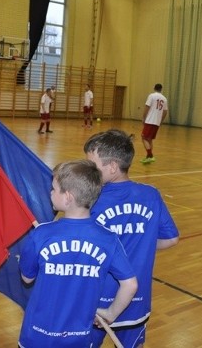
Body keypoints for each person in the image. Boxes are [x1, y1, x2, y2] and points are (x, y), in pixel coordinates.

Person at [18, 160, 138, 348]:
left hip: (37, 335)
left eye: (54, 189)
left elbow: (26, 278)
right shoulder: (108, 239)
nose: (50, 192)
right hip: (80, 337)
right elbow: (130, 284)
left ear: (68, 197)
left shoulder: (41, 234)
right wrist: (111, 313)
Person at [84, 129, 179, 348]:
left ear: (113, 167)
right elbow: (171, 239)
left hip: (96, 300)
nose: (88, 171)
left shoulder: (93, 199)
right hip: (137, 302)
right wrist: (142, 246)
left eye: (92, 165)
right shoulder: (151, 194)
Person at [140, 83, 168, 164]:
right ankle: (148, 157)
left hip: (150, 121)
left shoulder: (151, 96)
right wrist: (161, 121)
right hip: (157, 122)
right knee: (149, 139)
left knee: (144, 137)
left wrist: (144, 118)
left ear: (154, 88)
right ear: (161, 89)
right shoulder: (164, 99)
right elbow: (165, 111)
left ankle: (150, 155)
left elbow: (147, 107)